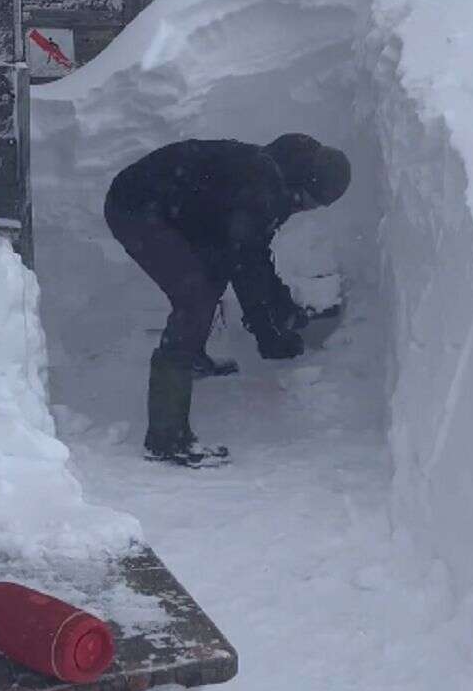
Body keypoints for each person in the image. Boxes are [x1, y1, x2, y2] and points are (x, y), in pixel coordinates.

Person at [104, 133, 351, 467]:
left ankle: (191, 358)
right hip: (136, 207)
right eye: (309, 201)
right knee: (194, 298)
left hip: (177, 211)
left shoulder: (276, 177)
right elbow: (248, 267)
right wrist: (270, 334)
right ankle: (166, 438)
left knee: (212, 270)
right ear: (303, 181)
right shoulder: (262, 188)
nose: (305, 209)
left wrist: (280, 313)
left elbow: (250, 254)